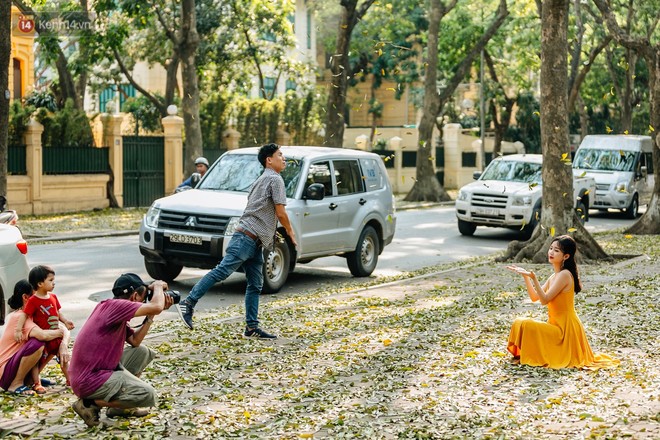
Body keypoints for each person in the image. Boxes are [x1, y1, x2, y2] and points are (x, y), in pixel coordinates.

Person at [178, 143, 297, 338]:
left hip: (253, 241)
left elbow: (257, 209)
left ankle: (251, 327)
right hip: (246, 239)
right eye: (280, 155)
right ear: (269, 160)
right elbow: (281, 212)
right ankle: (188, 303)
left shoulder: (261, 179)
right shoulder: (275, 179)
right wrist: (290, 233)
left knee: (255, 284)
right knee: (222, 271)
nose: (284, 159)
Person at [68, 273, 173, 427]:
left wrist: (150, 316)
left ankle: (119, 409)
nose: (144, 303)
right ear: (134, 296)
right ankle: (88, 404)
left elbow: (135, 342)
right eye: (143, 298)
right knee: (146, 394)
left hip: (96, 371)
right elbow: (157, 306)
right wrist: (157, 286)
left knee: (142, 352)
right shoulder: (115, 306)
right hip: (88, 379)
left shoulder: (112, 309)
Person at [506, 235, 619, 369]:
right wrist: (526, 277)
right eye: (551, 248)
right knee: (519, 322)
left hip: (565, 330)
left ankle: (533, 355)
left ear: (566, 256)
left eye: (557, 250)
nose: (551, 252)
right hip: (555, 326)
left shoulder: (565, 275)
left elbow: (544, 300)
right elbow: (535, 297)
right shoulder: (554, 276)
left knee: (526, 324)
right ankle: (525, 354)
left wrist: (534, 278)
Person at [0, 280, 69, 395]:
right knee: (38, 343)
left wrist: (63, 344)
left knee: (52, 340)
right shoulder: (19, 317)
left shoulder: (34, 314)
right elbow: (43, 335)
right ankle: (15, 384)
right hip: (5, 373)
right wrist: (62, 333)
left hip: (15, 367)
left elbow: (60, 328)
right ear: (26, 297)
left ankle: (32, 380)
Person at [14, 265, 74, 389]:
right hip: (42, 338)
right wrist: (18, 330)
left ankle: (70, 380)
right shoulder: (33, 300)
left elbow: (58, 313)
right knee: (36, 362)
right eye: (50, 280)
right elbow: (25, 316)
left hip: (54, 336)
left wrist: (65, 321)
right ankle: (37, 383)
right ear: (40, 283)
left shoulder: (53, 297)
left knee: (63, 358)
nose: (54, 283)